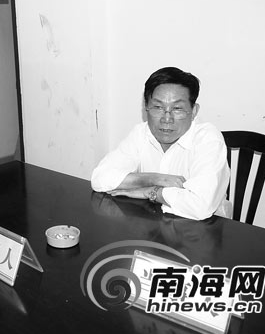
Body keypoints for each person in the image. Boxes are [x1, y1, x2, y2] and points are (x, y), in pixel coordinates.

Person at [90, 67, 230, 221]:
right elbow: (100, 179)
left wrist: (151, 192)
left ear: (194, 111)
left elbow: (200, 206)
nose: (166, 119)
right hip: (154, 223)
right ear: (146, 107)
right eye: (158, 107)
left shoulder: (208, 139)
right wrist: (155, 179)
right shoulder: (141, 133)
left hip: (206, 228)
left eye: (177, 108)